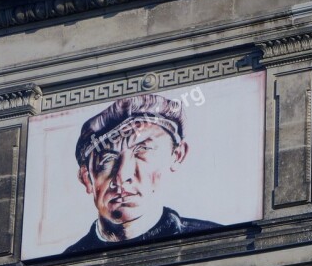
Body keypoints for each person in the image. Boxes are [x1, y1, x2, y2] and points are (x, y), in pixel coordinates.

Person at [64, 93, 220, 254]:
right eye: (107, 159)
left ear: (177, 155)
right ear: (86, 178)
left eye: (143, 150)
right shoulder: (66, 264)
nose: (122, 177)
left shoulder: (214, 245)